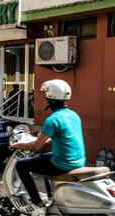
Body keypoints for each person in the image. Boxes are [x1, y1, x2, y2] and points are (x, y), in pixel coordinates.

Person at [10, 79, 86, 209]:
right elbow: (63, 136)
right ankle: (51, 196)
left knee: (21, 165)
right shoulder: (73, 115)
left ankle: (36, 200)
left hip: (62, 164)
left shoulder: (52, 120)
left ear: (50, 99)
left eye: (46, 97)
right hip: (78, 160)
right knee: (43, 158)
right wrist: (45, 140)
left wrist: (17, 145)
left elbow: (35, 146)